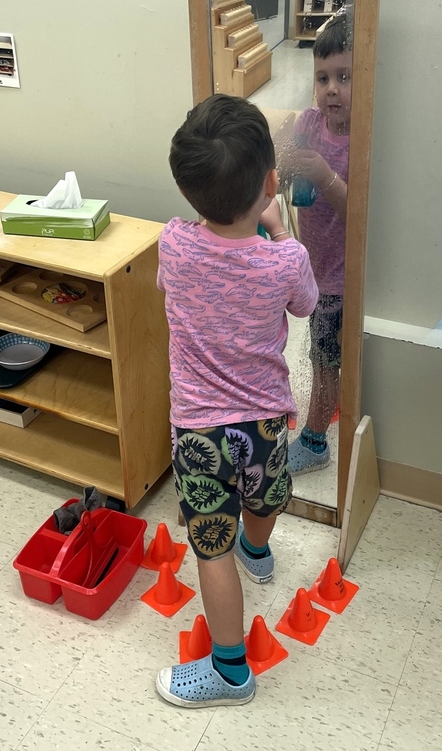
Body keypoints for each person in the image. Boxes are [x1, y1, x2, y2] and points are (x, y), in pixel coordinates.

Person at [155, 94, 318, 708]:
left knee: (209, 546)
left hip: (200, 431)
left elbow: (172, 285)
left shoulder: (174, 243)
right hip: (267, 420)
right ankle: (259, 550)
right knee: (266, 494)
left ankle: (229, 670)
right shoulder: (286, 260)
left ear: (188, 191)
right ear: (271, 183)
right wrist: (277, 230)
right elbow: (304, 305)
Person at [279, 12, 351, 475]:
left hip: (342, 279)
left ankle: (315, 440)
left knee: (323, 364)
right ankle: (328, 406)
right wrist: (287, 155)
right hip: (316, 269)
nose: (331, 89)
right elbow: (282, 159)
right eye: (322, 78)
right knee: (320, 356)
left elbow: (358, 214)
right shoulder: (310, 121)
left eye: (344, 77)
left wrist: (324, 175)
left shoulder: (362, 139)